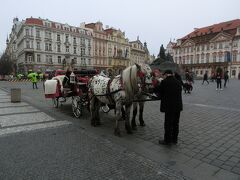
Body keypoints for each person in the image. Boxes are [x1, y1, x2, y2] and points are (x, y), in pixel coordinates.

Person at [157, 70, 183, 145]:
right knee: (176, 123)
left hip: (169, 107)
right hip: (178, 107)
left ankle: (167, 140)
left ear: (166, 75)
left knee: (168, 124)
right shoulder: (178, 82)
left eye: (163, 75)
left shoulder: (164, 82)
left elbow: (160, 93)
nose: (163, 77)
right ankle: (175, 139)